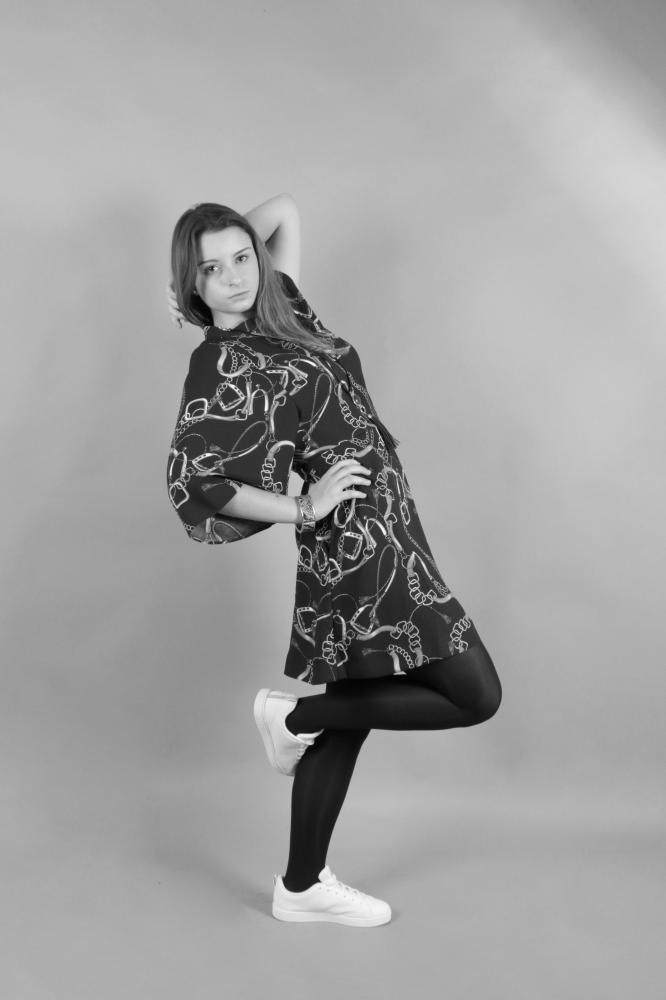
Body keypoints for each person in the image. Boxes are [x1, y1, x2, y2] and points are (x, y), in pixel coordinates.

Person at [165, 193, 502, 927]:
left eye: (242, 258)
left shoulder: (278, 308)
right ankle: (295, 716)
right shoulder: (219, 362)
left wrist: (221, 255)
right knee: (475, 694)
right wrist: (303, 506)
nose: (235, 277)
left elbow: (283, 210)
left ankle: (301, 883)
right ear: (191, 283)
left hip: (388, 529)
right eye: (210, 270)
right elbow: (197, 479)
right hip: (358, 545)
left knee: (350, 718)